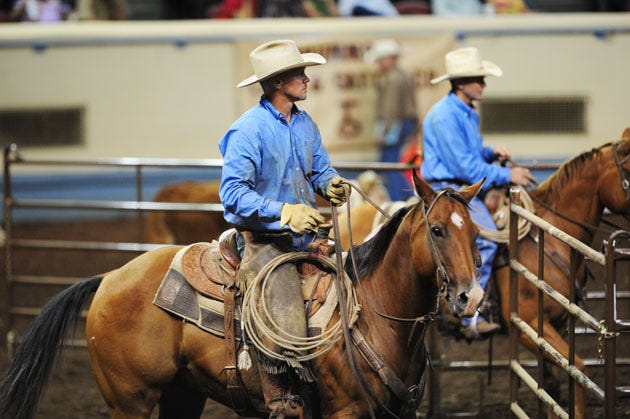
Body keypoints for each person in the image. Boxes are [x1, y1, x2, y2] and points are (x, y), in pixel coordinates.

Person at [218, 39, 347, 418]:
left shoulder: (305, 124)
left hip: (306, 237)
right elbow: (232, 194)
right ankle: (281, 399)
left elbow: (320, 168)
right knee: (285, 309)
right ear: (277, 83)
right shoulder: (247, 131)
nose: (307, 79)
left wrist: (330, 183)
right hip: (264, 242)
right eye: (298, 73)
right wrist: (284, 212)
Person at [420, 46, 536, 340]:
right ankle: (468, 314)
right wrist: (509, 174)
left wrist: (489, 151)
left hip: (461, 187)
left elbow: (469, 155)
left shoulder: (463, 112)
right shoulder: (445, 116)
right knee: (483, 240)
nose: (483, 85)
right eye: (478, 79)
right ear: (461, 83)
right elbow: (466, 167)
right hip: (448, 190)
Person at [364, 39, 419, 201]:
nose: (379, 64)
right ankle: (405, 198)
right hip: (405, 124)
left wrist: (384, 131)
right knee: (399, 164)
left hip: (395, 126)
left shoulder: (392, 78)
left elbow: (391, 108)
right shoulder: (403, 74)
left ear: (390, 59)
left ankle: (397, 200)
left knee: (390, 165)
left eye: (381, 60)